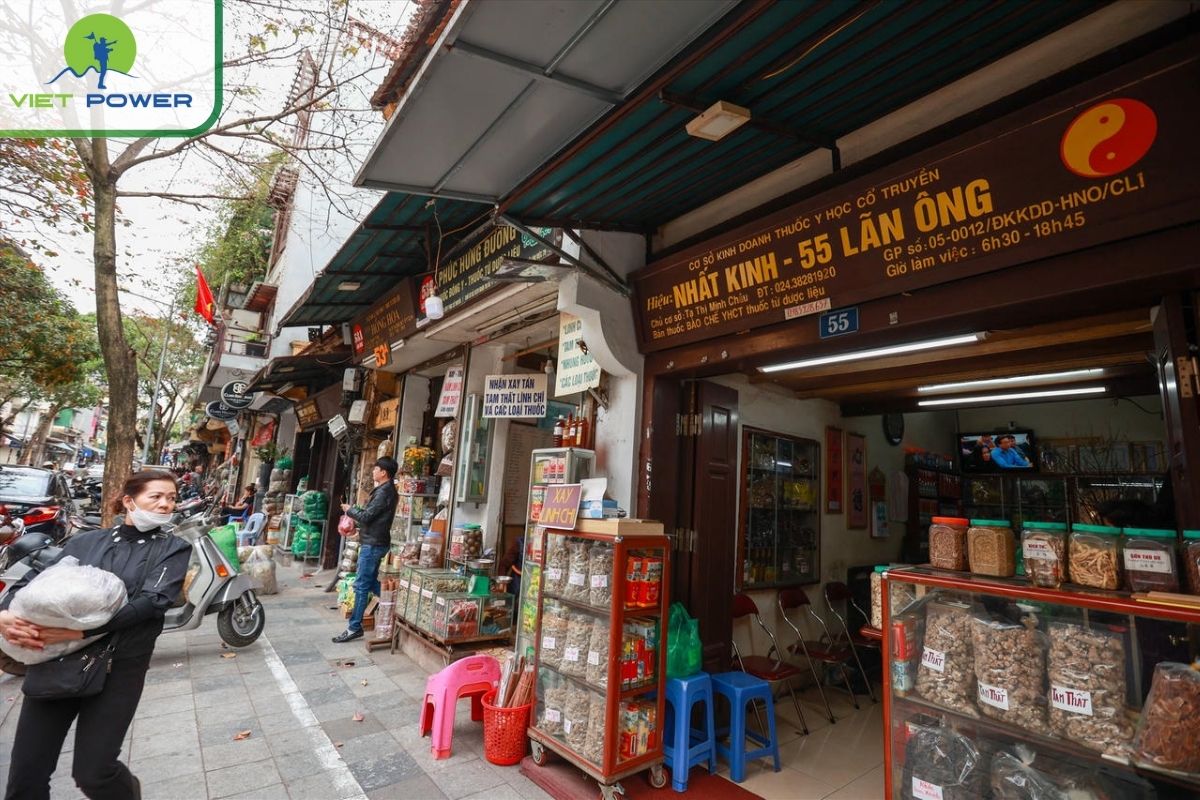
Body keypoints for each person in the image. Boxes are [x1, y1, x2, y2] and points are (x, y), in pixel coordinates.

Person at [0, 470, 190, 800]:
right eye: (156, 496)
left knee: (95, 773)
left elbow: (153, 601)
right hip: (58, 660)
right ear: (129, 501)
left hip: (120, 666)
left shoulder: (173, 548)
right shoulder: (85, 542)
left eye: (171, 498)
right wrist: (3, 614)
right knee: (25, 776)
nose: (165, 504)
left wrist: (81, 629)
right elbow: (34, 580)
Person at [333, 457, 399, 643]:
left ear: (384, 472)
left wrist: (350, 510)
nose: (373, 471)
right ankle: (397, 605)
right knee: (369, 583)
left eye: (376, 468)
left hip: (374, 544)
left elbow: (368, 516)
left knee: (361, 585)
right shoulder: (384, 491)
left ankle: (354, 627)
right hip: (374, 541)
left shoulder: (384, 492)